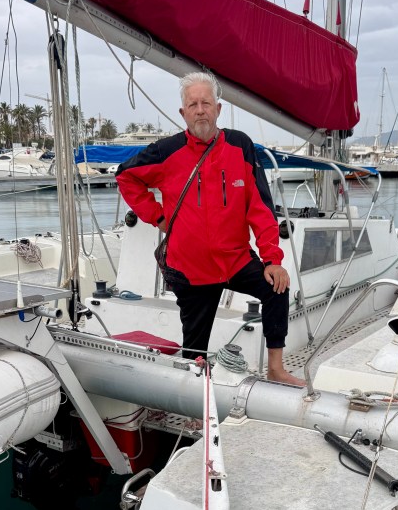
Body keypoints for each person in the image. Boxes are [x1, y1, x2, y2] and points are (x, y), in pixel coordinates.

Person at [115, 71, 303, 386]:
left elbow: (260, 207)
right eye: (193, 104)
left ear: (218, 108)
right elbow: (125, 176)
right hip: (191, 267)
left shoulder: (241, 146)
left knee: (277, 288)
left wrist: (272, 259)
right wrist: (157, 217)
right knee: (194, 351)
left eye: (206, 103)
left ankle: (276, 369)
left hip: (235, 259)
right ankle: (194, 401)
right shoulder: (166, 151)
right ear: (183, 113)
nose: (200, 110)